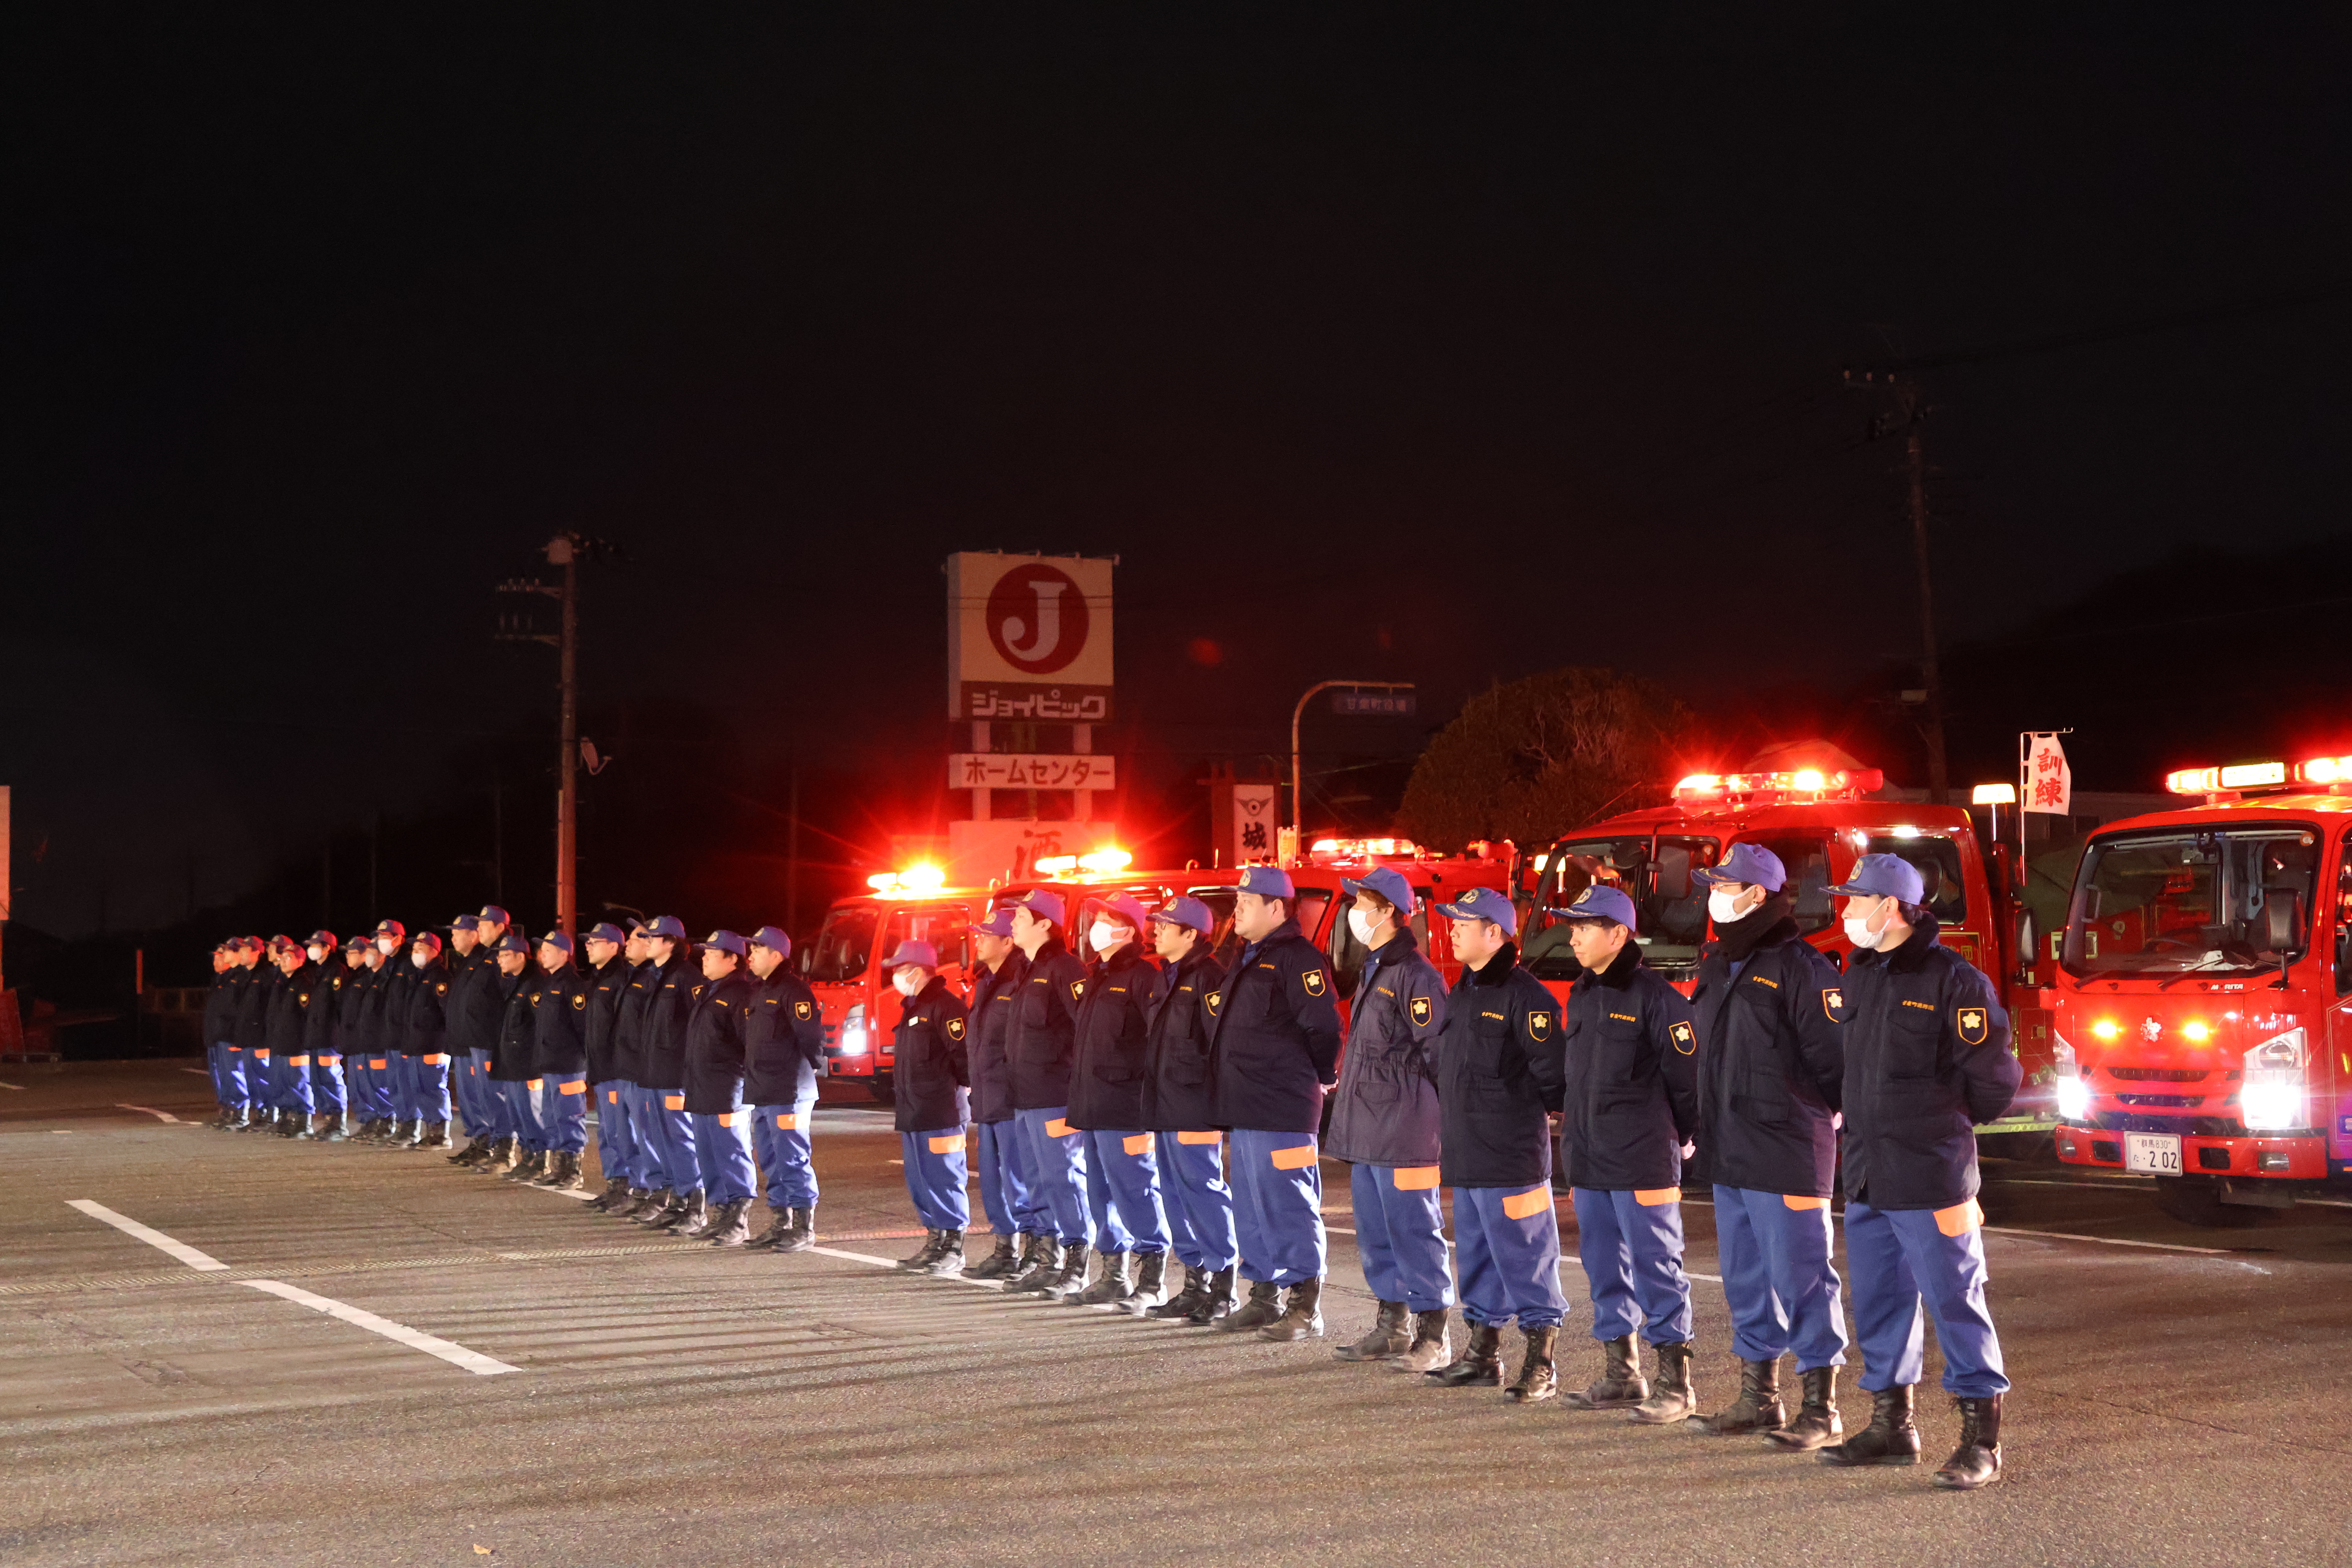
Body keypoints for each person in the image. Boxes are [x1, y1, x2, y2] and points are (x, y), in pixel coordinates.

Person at [1817, 853, 2018, 1490]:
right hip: (1872, 1174)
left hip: (1931, 1173)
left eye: (1855, 901)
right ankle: (1891, 1424)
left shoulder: (1954, 982)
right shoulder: (1863, 975)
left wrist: (1943, 1131)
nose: (1846, 913)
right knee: (1880, 1302)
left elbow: (1993, 1080)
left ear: (1893, 908)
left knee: (1957, 1301)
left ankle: (1980, 1439)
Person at [1684, 843, 1850, 1446]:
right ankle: (1760, 1397)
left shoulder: (1802, 968)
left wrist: (1820, 1119)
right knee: (1746, 1281)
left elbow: (1836, 1065)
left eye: (1724, 886)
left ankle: (1821, 1405)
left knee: (1803, 1278)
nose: (1712, 897)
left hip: (1785, 1153)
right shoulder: (1719, 964)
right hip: (1731, 1151)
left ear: (1758, 895)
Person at [1553, 883, 1703, 1423]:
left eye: (1584, 927)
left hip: (1641, 1156)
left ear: (1618, 934)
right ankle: (1623, 1373)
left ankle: (1676, 1382)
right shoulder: (1584, 993)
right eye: (1571, 926)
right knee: (1603, 1268)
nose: (1572, 937)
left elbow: (1688, 1081)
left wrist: (1683, 1136)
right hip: (1591, 1159)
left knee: (1657, 1267)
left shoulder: (1659, 999)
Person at [1425, 886, 1568, 1396]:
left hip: (1511, 1159)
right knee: (1480, 1260)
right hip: (1468, 1157)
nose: (1453, 930)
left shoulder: (1527, 997)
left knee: (1529, 1261)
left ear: (1495, 933)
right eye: (1453, 922)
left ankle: (1542, 1361)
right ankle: (1484, 1353)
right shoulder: (1463, 990)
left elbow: (1555, 1079)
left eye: (1464, 922)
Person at [1204, 865, 1342, 1342]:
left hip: (1282, 1107)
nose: (1237, 908)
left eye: (1247, 900)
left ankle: (1305, 1304)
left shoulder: (1298, 959)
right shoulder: (1249, 958)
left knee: (1289, 1206)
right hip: (1245, 1108)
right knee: (1252, 1207)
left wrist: (1322, 1077)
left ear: (1277, 908)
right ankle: (1265, 1296)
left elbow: (1324, 1027)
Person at [1322, 866, 1452, 1367]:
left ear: (1391, 915)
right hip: (1369, 1130)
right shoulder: (1376, 968)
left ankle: (1433, 1333)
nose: (1355, 913)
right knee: (1377, 1233)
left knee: (1415, 1230)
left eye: (1363, 905)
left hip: (1405, 1130)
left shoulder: (1417, 976)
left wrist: (1441, 1126)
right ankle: (1391, 1325)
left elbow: (1437, 1055)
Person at [1065, 894, 1174, 1309]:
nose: (1096, 926)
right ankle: (1114, 1274)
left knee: (1137, 1189)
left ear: (1128, 930)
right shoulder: (1096, 976)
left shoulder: (1144, 977)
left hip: (1127, 1106)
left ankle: (1153, 1278)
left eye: (1107, 919)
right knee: (1100, 1192)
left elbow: (1155, 1042)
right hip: (1093, 1105)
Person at [1138, 896, 1240, 1324]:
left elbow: (1219, 1045)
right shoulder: (1168, 977)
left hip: (1195, 1107)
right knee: (1177, 1196)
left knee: (1204, 1192)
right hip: (1165, 1106)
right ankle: (1194, 1283)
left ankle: (1224, 1285)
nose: (1157, 931)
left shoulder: (1209, 977)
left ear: (1190, 933)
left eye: (1167, 925)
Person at [1001, 891, 1092, 1297]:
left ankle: (1076, 1260)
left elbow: (1084, 1029)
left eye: (1021, 915)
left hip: (1055, 1093)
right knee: (1036, 1179)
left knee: (1064, 1178)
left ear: (1045, 924)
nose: (1013, 922)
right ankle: (1046, 1256)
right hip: (1026, 1096)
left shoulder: (1065, 968)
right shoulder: (1025, 969)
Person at [883, 940, 973, 1277]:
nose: (895, 976)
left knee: (945, 1179)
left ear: (918, 971)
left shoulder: (946, 1007)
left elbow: (964, 1057)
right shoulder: (913, 1007)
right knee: (921, 1182)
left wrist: (958, 1090)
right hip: (914, 1113)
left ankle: (953, 1247)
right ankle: (935, 1240)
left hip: (941, 1113)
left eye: (900, 969)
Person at [962, 909, 1042, 1278]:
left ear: (1007, 942)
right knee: (994, 1182)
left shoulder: (1017, 982)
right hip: (987, 1099)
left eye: (986, 935)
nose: (977, 940)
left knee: (1019, 1179)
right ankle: (1005, 1248)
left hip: (1011, 1099)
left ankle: (1034, 1251)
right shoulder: (987, 983)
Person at [743, 925, 827, 1252]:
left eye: (757, 950)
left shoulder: (794, 990)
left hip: (788, 1091)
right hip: (763, 1091)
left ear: (776, 955)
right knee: (770, 1159)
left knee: (792, 1158)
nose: (750, 956)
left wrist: (809, 1070)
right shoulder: (760, 990)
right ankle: (781, 1222)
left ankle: (804, 1226)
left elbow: (811, 1036)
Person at [679, 930, 759, 1243]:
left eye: (713, 953)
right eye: (705, 952)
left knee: (732, 1153)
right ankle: (722, 1213)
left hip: (728, 1090)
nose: (705, 957)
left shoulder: (742, 994)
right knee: (708, 1155)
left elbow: (747, 1046)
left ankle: (738, 1220)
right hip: (702, 1088)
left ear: (732, 959)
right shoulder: (708, 991)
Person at [632, 917, 704, 1231]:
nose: (647, 941)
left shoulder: (687, 976)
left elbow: (698, 1027)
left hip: (674, 1076)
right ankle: (677, 1198)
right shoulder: (655, 976)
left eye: (653, 937)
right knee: (661, 1139)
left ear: (672, 942)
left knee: (681, 1139)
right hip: (653, 1074)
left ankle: (695, 1204)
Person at [523, 931, 590, 1191]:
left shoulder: (572, 984)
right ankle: (560, 1167)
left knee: (569, 1116)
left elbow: (581, 1026)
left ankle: (573, 1169)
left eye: (549, 950)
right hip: (550, 1063)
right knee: (552, 1117)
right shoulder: (551, 982)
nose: (542, 954)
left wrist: (582, 1060)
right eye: (542, 950)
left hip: (568, 1065)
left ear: (564, 954)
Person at [605, 923, 664, 1218]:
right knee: (627, 1135)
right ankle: (640, 1189)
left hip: (643, 1072)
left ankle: (654, 1192)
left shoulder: (654, 979)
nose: (628, 944)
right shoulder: (631, 976)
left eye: (634, 940)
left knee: (649, 1135)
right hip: (624, 1069)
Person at [578, 923, 639, 1209]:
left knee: (621, 1131)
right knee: (607, 1131)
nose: (588, 946)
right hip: (601, 1069)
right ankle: (615, 1183)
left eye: (595, 942)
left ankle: (627, 1186)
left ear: (614, 947)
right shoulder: (598, 978)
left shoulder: (620, 978)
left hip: (616, 1069)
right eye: (588, 942)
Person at [479, 932, 535, 1171]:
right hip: (510, 1059)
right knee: (516, 1112)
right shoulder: (510, 982)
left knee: (532, 1114)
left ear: (520, 957)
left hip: (526, 1062)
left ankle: (535, 1159)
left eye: (504, 955)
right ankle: (526, 1158)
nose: (499, 960)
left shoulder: (534, 984)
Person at [441, 913, 493, 1162]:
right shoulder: (469, 962)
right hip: (462, 1041)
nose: (452, 937)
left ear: (473, 936)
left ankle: (488, 1143)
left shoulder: (487, 960)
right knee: (467, 1097)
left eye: (457, 932)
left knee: (483, 1095)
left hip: (479, 1040)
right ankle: (477, 1140)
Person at [400, 929, 456, 1149]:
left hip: (433, 1045)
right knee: (420, 1089)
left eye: (420, 949)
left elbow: (447, 1012)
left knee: (434, 1088)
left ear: (434, 951)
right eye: (414, 949)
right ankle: (431, 1130)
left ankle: (440, 1134)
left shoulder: (440, 977)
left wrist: (445, 1044)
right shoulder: (418, 977)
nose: (415, 953)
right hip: (417, 1044)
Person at [297, 930, 349, 1140]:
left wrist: (338, 1036)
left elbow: (341, 1007)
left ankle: (338, 1123)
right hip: (316, 1037)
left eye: (316, 945)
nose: (312, 949)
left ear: (328, 947)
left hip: (329, 1038)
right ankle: (329, 1120)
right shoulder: (317, 973)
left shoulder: (337, 972)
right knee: (317, 1080)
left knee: (330, 1080)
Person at [261, 937, 315, 1136]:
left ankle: (303, 1121)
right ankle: (285, 1118)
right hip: (278, 1044)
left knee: (298, 1083)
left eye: (288, 958)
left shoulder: (304, 983)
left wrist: (305, 1044)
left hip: (296, 1045)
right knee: (279, 1082)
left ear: (300, 961)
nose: (283, 961)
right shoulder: (280, 982)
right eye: (282, 957)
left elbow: (307, 1015)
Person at [340, 934, 392, 1140]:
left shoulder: (386, 979)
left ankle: (386, 1122)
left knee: (378, 1085)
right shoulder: (364, 979)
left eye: (372, 952)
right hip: (359, 1041)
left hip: (376, 1042)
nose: (369, 956)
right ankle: (369, 1122)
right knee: (361, 1086)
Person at [230, 936, 277, 1133]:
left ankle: (269, 1114)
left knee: (264, 1077)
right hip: (247, 1037)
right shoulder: (244, 975)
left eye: (245, 950)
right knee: (252, 1078)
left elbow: (269, 1009)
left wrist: (267, 1038)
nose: (241, 953)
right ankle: (259, 1114)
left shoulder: (266, 975)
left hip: (261, 1038)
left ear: (257, 953)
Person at [203, 944, 241, 1128]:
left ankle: (237, 1111)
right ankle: (226, 1109)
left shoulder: (237, 977)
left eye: (220, 956)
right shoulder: (220, 979)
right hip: (216, 1036)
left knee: (232, 1074)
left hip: (228, 1036)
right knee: (219, 1075)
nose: (216, 961)